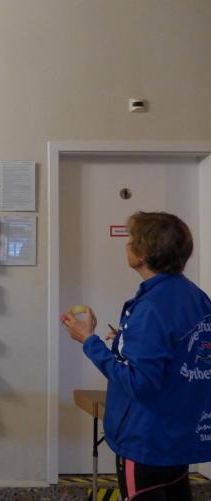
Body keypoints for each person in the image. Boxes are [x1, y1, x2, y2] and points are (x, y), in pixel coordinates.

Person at [61, 211, 211, 501]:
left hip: (146, 439)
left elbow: (138, 383)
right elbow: (184, 354)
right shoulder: (197, 297)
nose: (126, 245)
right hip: (179, 434)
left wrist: (89, 341)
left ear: (144, 253)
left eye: (131, 240)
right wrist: (125, 340)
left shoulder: (151, 307)